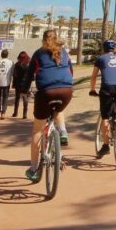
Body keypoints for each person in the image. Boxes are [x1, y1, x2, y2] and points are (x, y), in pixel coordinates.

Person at [22, 29, 73, 181]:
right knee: (59, 109)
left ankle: (33, 168)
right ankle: (63, 132)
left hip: (46, 92)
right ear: (56, 38)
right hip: (66, 90)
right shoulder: (64, 52)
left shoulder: (39, 53)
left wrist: (24, 91)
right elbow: (71, 70)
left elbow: (29, 75)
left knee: (37, 131)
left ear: (43, 40)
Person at [88, 40, 116, 158]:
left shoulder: (100, 59)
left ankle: (106, 145)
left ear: (104, 48)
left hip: (107, 88)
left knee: (105, 116)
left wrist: (92, 89)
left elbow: (93, 77)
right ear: (114, 49)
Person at [11, 51, 31, 118]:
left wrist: (13, 84)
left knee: (17, 98)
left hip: (18, 83)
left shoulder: (17, 64)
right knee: (25, 98)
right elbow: (32, 76)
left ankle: (15, 113)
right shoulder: (29, 65)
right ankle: (24, 114)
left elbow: (14, 75)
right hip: (26, 83)